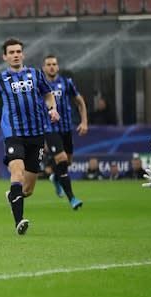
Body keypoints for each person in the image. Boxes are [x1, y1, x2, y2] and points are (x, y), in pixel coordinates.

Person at [0, 38, 59, 235]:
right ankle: (19, 221)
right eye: (11, 52)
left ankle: (13, 196)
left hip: (36, 133)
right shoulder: (0, 79)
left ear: (23, 54)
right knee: (17, 171)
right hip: (13, 134)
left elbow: (48, 94)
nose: (15, 55)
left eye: (18, 51)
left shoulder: (36, 74)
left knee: (28, 189)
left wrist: (53, 109)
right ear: (5, 56)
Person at [41, 54, 87, 209]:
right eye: (48, 64)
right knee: (61, 159)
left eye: (54, 64)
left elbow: (80, 101)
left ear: (58, 67)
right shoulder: (41, 85)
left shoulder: (66, 83)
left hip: (66, 128)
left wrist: (84, 122)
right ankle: (72, 199)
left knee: (67, 162)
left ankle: (55, 177)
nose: (52, 66)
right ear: (44, 68)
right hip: (50, 128)